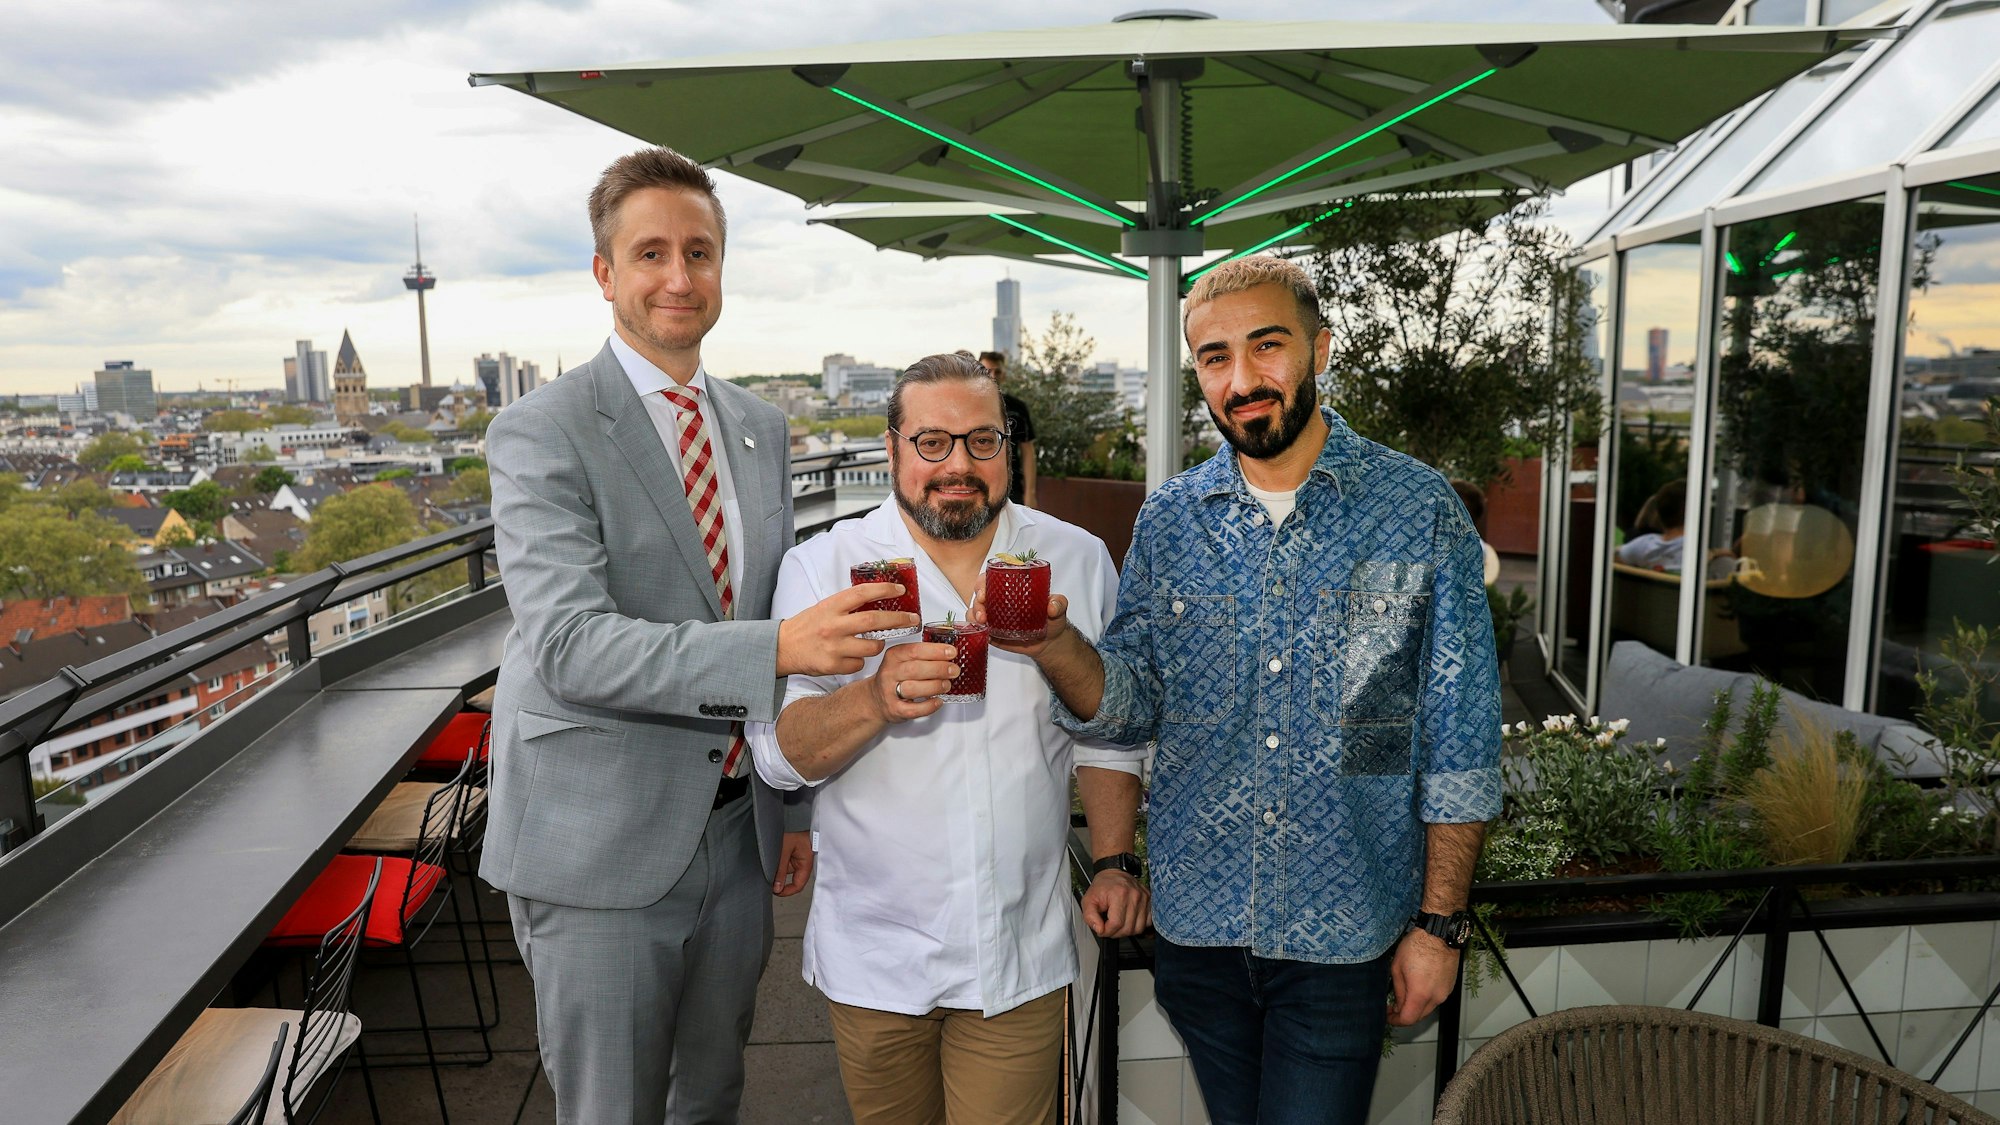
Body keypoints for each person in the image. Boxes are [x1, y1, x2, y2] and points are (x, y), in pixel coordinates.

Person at [995, 256, 1501, 1124]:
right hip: (1199, 932)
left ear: (1320, 350)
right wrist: (1051, 642)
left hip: (1345, 932)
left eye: (1267, 347)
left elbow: (1461, 739)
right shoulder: (1170, 519)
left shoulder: (1416, 511)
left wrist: (1441, 925)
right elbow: (1129, 704)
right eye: (1215, 358)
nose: (1242, 379)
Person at [481, 146, 918, 1123]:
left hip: (735, 831)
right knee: (613, 1109)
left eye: (699, 251)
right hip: (600, 836)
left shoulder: (759, 427)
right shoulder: (540, 431)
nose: (677, 277)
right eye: (649, 254)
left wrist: (789, 807)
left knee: (713, 1090)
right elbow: (569, 647)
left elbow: (764, 603)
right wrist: (777, 652)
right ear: (604, 274)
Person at [748, 351, 1148, 1125]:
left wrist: (1112, 859)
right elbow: (781, 755)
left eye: (981, 441)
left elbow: (1107, 732)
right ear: (892, 447)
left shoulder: (1075, 559)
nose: (957, 464)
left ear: (1008, 447)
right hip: (875, 955)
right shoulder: (822, 566)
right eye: (933, 442)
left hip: (1018, 950)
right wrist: (873, 697)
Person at [1617, 479, 1735, 578]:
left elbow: (1614, 557)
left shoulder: (1642, 545)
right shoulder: (1701, 556)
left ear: (1659, 514)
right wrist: (1714, 553)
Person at [977, 350, 1037, 508]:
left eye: (997, 371)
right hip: (978, 483)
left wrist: (1030, 493)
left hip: (1013, 486)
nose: (993, 375)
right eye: (987, 371)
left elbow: (1028, 451)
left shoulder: (1018, 408)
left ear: (1004, 375)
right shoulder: (969, 408)